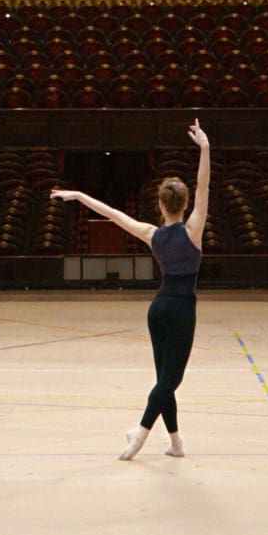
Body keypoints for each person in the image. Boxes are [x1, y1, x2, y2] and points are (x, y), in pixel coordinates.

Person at [54, 118, 211, 461]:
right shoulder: (194, 230)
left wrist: (79, 194)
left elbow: (112, 214)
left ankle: (176, 444)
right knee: (170, 381)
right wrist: (205, 148)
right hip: (182, 309)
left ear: (160, 205)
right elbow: (204, 188)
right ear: (184, 206)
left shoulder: (151, 234)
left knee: (163, 379)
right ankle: (140, 433)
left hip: (158, 309)